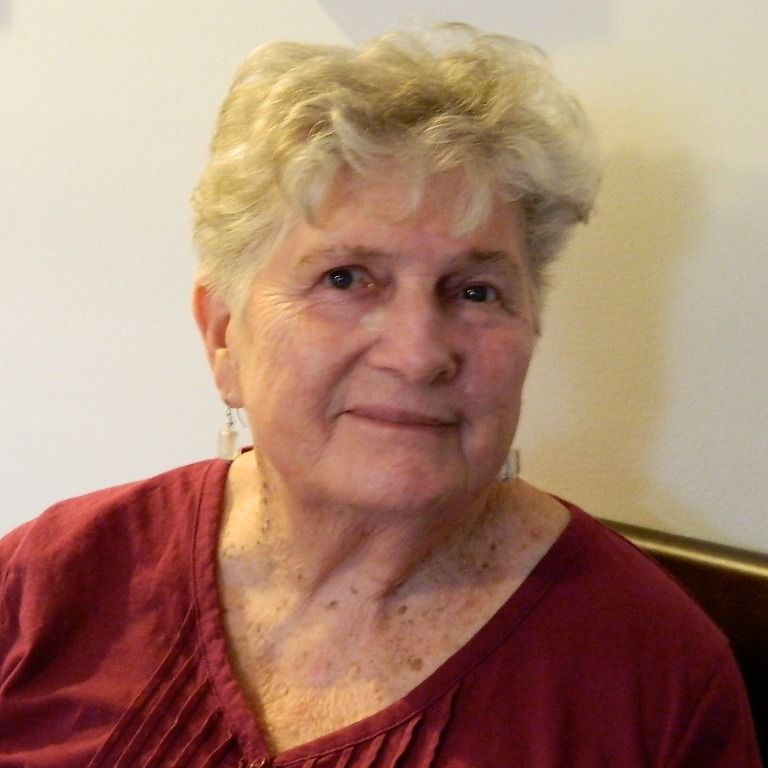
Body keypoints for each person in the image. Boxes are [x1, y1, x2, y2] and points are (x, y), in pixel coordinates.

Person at [0, 23, 760, 768]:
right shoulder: (50, 581)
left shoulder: (655, 681)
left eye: (475, 290)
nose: (418, 354)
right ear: (224, 334)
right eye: (346, 279)